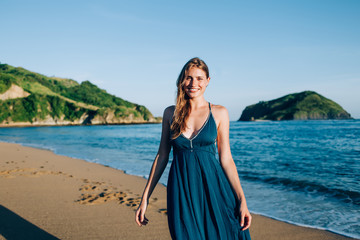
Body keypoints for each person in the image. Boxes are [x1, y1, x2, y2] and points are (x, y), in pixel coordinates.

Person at [135, 57, 252, 239]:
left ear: (208, 81)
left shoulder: (220, 112)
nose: (193, 83)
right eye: (188, 77)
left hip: (215, 188)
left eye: (199, 78)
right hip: (181, 189)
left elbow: (226, 158)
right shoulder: (170, 113)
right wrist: (145, 198)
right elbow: (162, 156)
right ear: (182, 80)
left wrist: (242, 199)